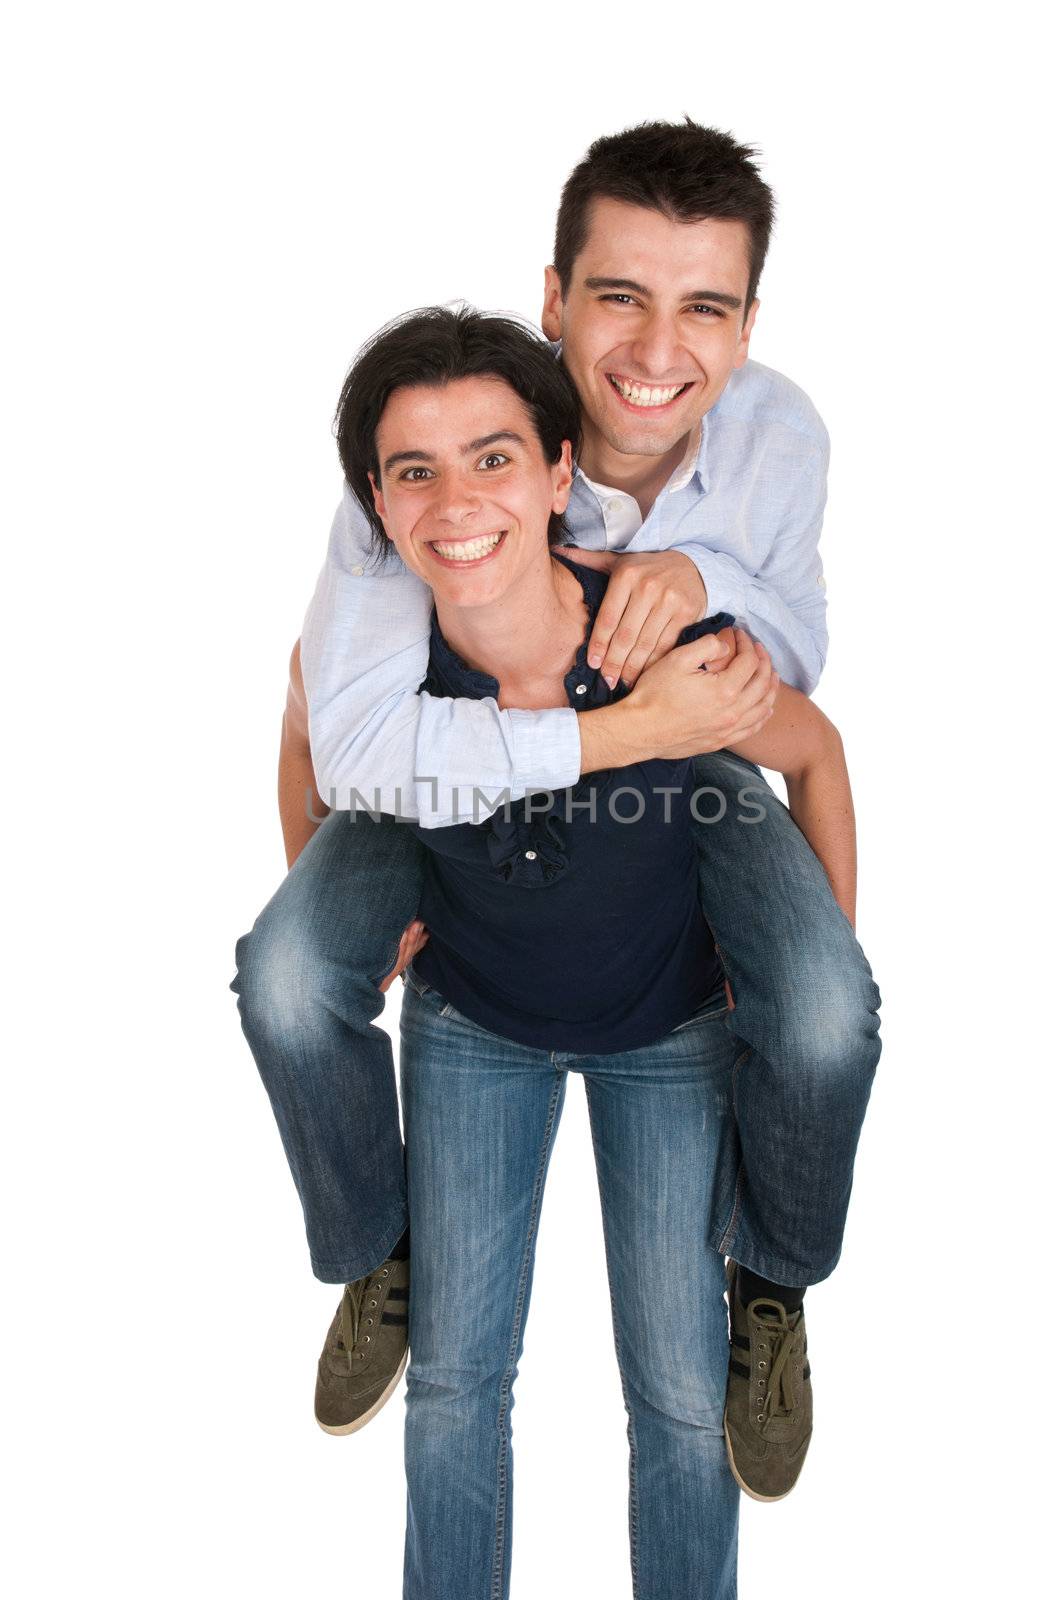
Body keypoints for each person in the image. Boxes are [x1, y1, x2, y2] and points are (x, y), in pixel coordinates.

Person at [232, 120, 881, 1503]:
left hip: (692, 761)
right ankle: (374, 1253)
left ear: (751, 322)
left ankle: (771, 1291)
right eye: (618, 298)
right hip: (443, 765)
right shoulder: (460, 441)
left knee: (828, 1016)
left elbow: (800, 667)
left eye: (705, 306)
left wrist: (691, 578)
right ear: (553, 299)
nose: (658, 352)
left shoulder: (780, 435)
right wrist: (368, 899)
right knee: (285, 973)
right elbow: (342, 733)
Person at [320, 304, 859, 1597]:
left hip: (670, 1037)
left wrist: (797, 972)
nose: (458, 504)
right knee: (453, 1387)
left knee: (680, 1399)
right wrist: (344, 909)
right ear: (381, 511)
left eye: (495, 460)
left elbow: (816, 752)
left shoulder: (659, 630)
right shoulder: (391, 658)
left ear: (564, 475)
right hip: (472, 1029)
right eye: (415, 475)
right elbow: (310, 735)